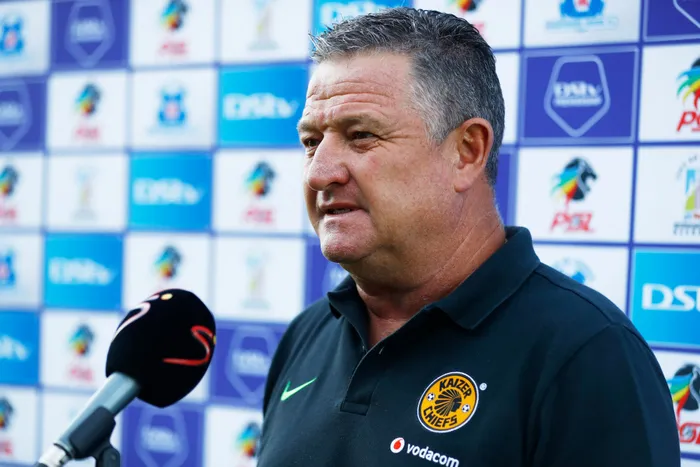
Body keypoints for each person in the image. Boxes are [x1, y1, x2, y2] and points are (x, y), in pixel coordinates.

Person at [257, 7, 680, 467]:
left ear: (467, 151)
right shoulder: (307, 334)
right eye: (311, 142)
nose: (319, 173)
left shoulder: (587, 354)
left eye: (360, 135)